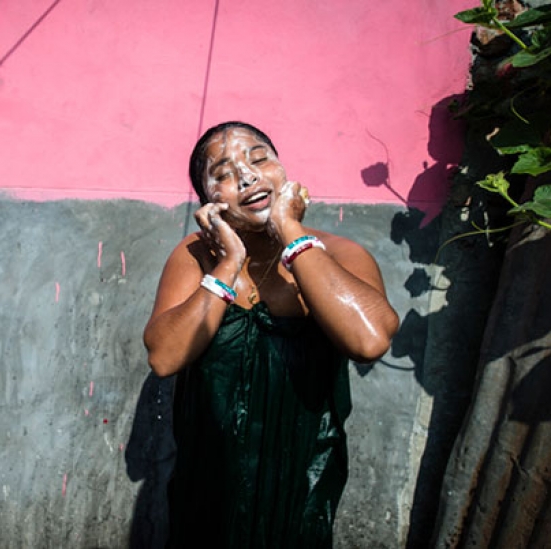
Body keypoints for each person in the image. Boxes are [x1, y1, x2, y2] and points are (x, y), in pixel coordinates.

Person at [143, 121, 399, 548]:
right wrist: (228, 264)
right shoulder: (195, 258)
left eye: (259, 158)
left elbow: (369, 341)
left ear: (283, 170)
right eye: (223, 174)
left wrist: (292, 232)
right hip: (209, 489)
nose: (247, 175)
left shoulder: (338, 254)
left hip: (302, 483)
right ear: (210, 201)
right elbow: (165, 358)